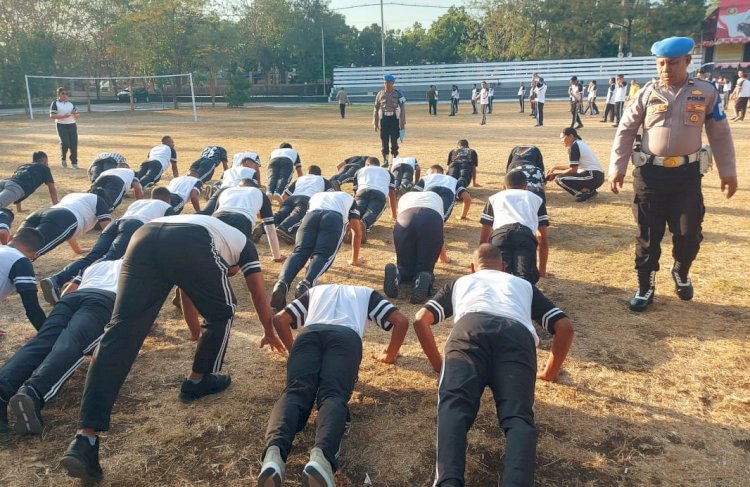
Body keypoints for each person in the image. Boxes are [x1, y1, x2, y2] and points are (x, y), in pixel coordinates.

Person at [58, 214, 286, 482]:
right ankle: (199, 379)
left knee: (119, 332)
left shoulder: (209, 228)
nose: (229, 273)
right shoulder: (242, 244)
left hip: (143, 236)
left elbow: (188, 291)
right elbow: (257, 293)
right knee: (223, 312)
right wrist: (269, 331)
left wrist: (193, 332)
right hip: (189, 241)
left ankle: (85, 438)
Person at [412, 244, 574, 487]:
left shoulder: (461, 282)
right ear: (505, 267)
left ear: (472, 267)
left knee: (454, 409)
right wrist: (550, 372)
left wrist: (439, 365)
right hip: (516, 338)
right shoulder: (523, 286)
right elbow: (565, 327)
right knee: (518, 418)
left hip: (468, 332)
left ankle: (449, 481)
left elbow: (420, 320)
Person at [609, 36, 738, 312]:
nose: (666, 69)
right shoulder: (645, 93)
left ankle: (680, 270)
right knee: (647, 234)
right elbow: (625, 130)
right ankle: (645, 286)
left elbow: (720, 133)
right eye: (661, 63)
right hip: (650, 175)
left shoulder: (706, 92)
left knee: (689, 233)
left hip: (687, 176)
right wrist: (616, 168)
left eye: (673, 63)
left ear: (688, 61)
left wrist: (728, 172)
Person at [258, 284, 408, 487]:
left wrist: (295, 351)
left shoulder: (316, 290)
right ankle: (321, 460)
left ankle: (273, 456)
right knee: (333, 394)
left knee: (295, 391)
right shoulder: (365, 293)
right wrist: (389, 355)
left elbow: (280, 319)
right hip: (345, 338)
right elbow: (401, 321)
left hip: (308, 336)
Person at [1, 259, 123, 435]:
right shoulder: (140, 265)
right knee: (70, 343)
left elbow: (69, 290)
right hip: (105, 302)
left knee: (41, 341)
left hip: (72, 299)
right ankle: (34, 392)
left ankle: (2, 389)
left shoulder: (99, 263)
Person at [38, 188, 175, 305]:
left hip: (115, 224)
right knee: (110, 259)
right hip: (134, 226)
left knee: (94, 256)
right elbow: (168, 229)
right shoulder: (167, 207)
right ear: (168, 200)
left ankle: (57, 279)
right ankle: (68, 295)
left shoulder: (139, 202)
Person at [270, 191, 364, 310]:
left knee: (299, 252)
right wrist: (354, 260)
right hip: (334, 218)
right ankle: (306, 284)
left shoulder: (317, 195)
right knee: (322, 255)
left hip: (311, 216)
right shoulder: (349, 198)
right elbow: (357, 232)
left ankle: (281, 284)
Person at [479, 171, 549, 283]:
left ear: (503, 187)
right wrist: (542, 271)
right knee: (525, 278)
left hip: (500, 235)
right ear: (526, 186)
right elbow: (543, 238)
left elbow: (484, 238)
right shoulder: (536, 199)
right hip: (524, 236)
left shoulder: (494, 198)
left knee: (499, 276)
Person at [200, 179, 284, 263]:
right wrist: (276, 256)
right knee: (245, 259)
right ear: (255, 187)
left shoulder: (226, 190)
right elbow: (270, 228)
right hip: (242, 220)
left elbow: (215, 211)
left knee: (213, 252)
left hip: (218, 217)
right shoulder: (259, 193)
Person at [384, 190, 445, 304]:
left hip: (405, 215)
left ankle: (398, 272)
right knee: (425, 267)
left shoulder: (406, 196)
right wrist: (444, 258)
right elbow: (438, 237)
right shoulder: (436, 197)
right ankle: (423, 275)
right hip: (431, 216)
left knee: (404, 265)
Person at [19, 192, 112, 258]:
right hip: (62, 218)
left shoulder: (76, 196)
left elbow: (69, 232)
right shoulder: (100, 201)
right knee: (31, 251)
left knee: (16, 245)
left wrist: (78, 250)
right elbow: (108, 232)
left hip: (41, 213)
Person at [0, 229, 46, 332]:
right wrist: (49, 335)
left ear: (10, 238)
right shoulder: (20, 261)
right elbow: (32, 308)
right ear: (35, 255)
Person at [273, 165, 332, 243]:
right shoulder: (323, 180)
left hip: (291, 199)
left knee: (280, 215)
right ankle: (283, 228)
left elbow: (284, 196)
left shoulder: (300, 179)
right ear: (319, 174)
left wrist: (284, 207)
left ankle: (263, 226)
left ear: (308, 173)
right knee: (297, 215)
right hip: (307, 199)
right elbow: (331, 195)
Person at [546, 127, 604, 202]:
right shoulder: (578, 143)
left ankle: (587, 192)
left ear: (570, 136)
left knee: (560, 179)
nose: (561, 141)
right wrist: (555, 167)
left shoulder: (574, 146)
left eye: (562, 138)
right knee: (561, 177)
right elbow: (573, 166)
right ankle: (588, 191)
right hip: (595, 176)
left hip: (592, 176)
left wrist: (555, 174)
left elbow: (573, 170)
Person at [351, 157, 397, 241]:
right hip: (378, 194)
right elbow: (392, 193)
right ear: (379, 165)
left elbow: (355, 193)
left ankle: (353, 223)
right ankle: (364, 223)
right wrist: (394, 215)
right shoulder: (387, 172)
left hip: (361, 192)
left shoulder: (360, 170)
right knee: (372, 211)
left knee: (359, 209)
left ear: (367, 164)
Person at [373, 74, 406, 165]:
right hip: (384, 119)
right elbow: (376, 108)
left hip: (394, 119)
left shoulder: (398, 93)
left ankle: (395, 159)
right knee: (384, 139)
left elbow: (402, 108)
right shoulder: (380, 94)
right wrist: (375, 123)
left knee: (394, 140)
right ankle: (385, 160)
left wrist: (402, 121)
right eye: (385, 82)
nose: (387, 84)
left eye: (389, 82)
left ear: (393, 83)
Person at [49, 87, 79, 169]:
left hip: (72, 125)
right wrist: (62, 116)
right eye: (63, 94)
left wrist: (74, 114)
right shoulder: (55, 103)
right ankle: (63, 158)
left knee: (73, 144)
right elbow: (52, 115)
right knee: (65, 143)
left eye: (66, 94)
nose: (65, 95)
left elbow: (77, 116)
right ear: (58, 94)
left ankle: (74, 162)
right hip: (61, 125)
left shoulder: (71, 104)